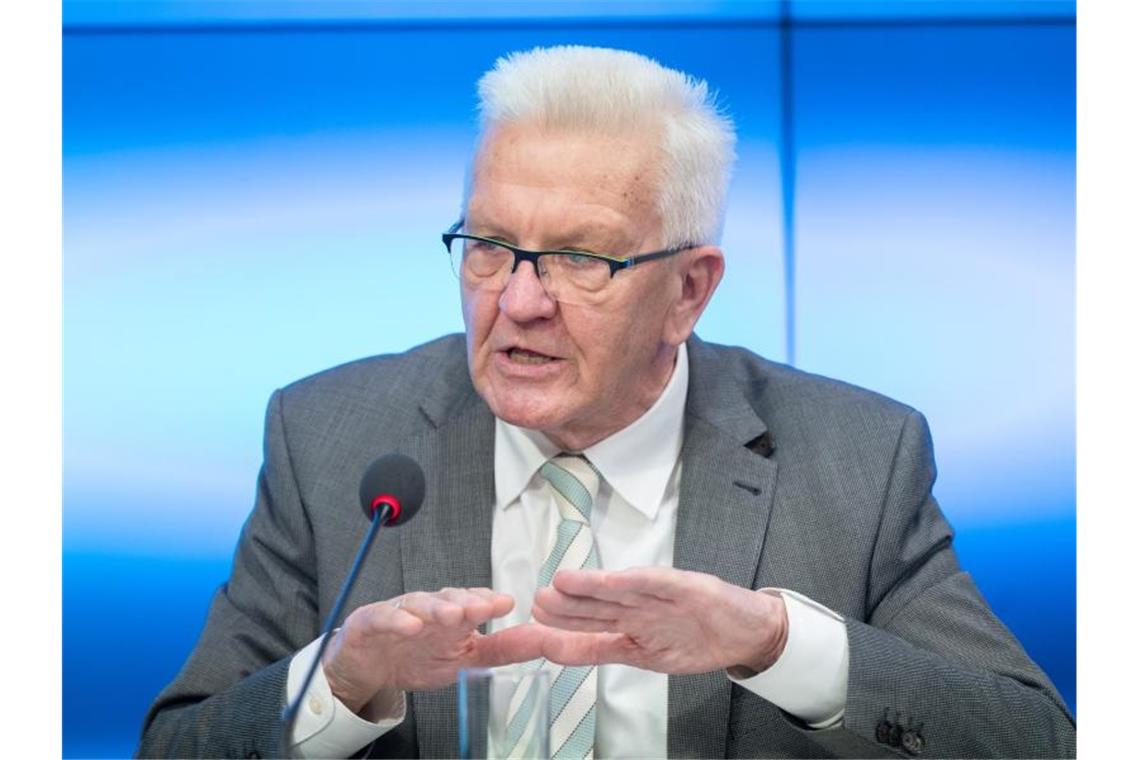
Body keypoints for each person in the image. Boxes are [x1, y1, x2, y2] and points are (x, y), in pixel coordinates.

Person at [137, 45, 1075, 759]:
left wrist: (774, 642)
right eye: (489, 245)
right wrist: (340, 686)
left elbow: (1035, 738)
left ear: (688, 291)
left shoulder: (856, 458)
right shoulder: (333, 436)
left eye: (582, 258)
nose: (516, 301)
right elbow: (175, 745)